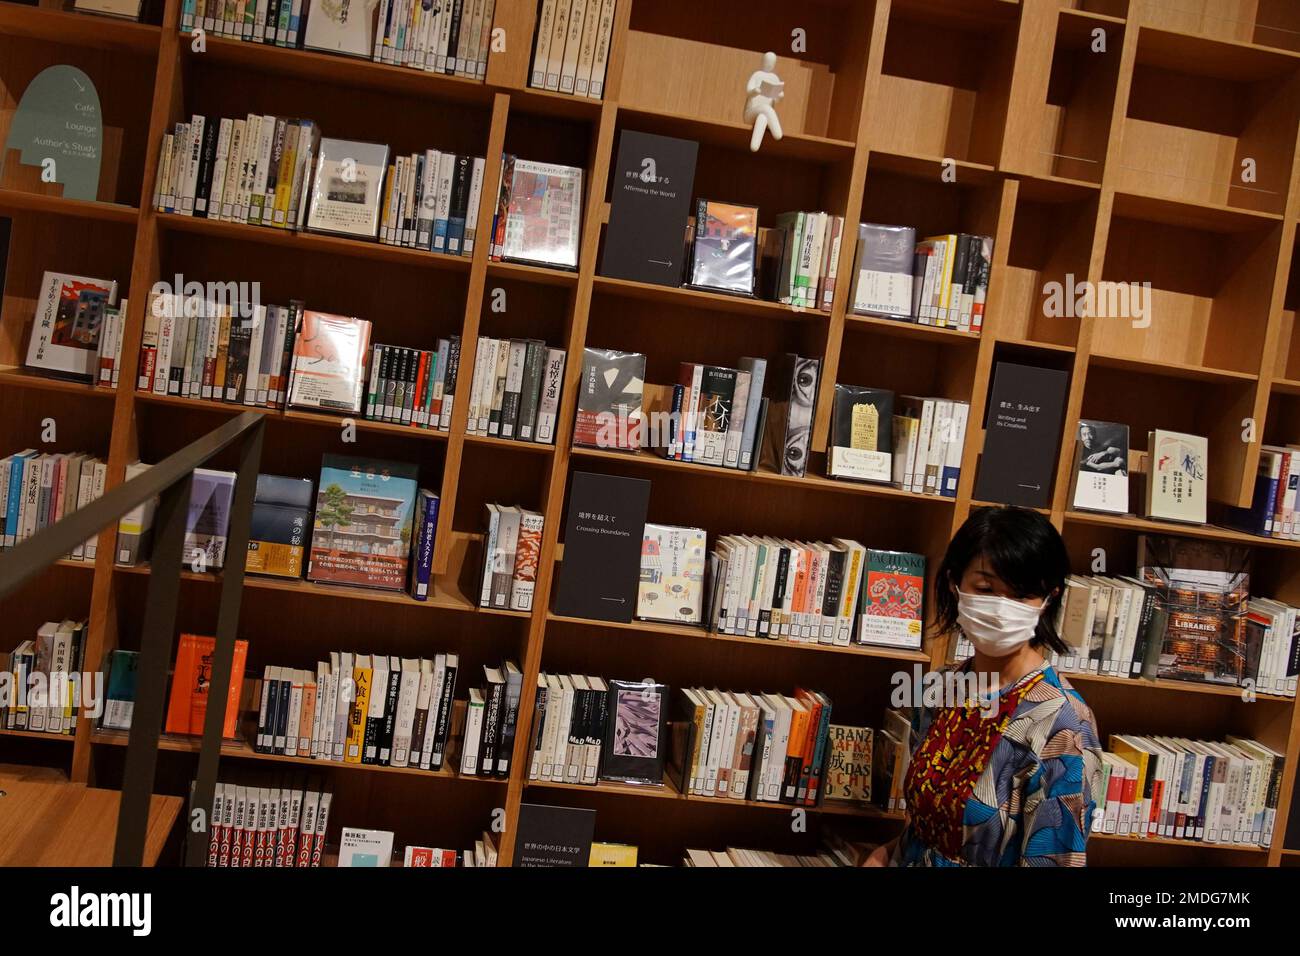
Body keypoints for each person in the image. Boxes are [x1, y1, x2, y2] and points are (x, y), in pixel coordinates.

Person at [866, 505, 1103, 867]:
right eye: (985, 588)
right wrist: (886, 855)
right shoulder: (939, 689)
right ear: (954, 583)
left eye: (1022, 594)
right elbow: (924, 829)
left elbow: (1056, 858)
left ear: (1048, 600)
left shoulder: (1064, 724)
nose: (1001, 607)